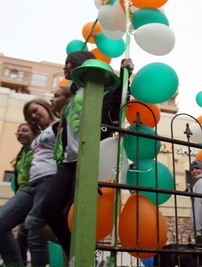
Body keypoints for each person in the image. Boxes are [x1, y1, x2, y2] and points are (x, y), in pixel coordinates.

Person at [41, 51, 133, 258]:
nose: (65, 67)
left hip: (88, 158)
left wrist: (125, 74)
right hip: (68, 161)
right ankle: (78, 253)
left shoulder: (100, 89)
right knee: (49, 208)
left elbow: (115, 102)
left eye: (69, 63)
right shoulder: (74, 95)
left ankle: (81, 256)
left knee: (75, 215)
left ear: (81, 64)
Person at [0, 99, 59, 266]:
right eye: (29, 115)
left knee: (35, 237)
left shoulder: (59, 124)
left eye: (35, 110)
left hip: (49, 179)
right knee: (1, 223)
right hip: (31, 184)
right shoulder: (40, 134)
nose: (33, 116)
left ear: (45, 106)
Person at [10, 122, 40, 265]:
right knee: (21, 239)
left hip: (35, 195)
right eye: (18, 132)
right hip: (22, 196)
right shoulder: (21, 154)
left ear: (34, 133)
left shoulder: (37, 151)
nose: (20, 133)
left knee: (32, 238)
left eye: (24, 131)